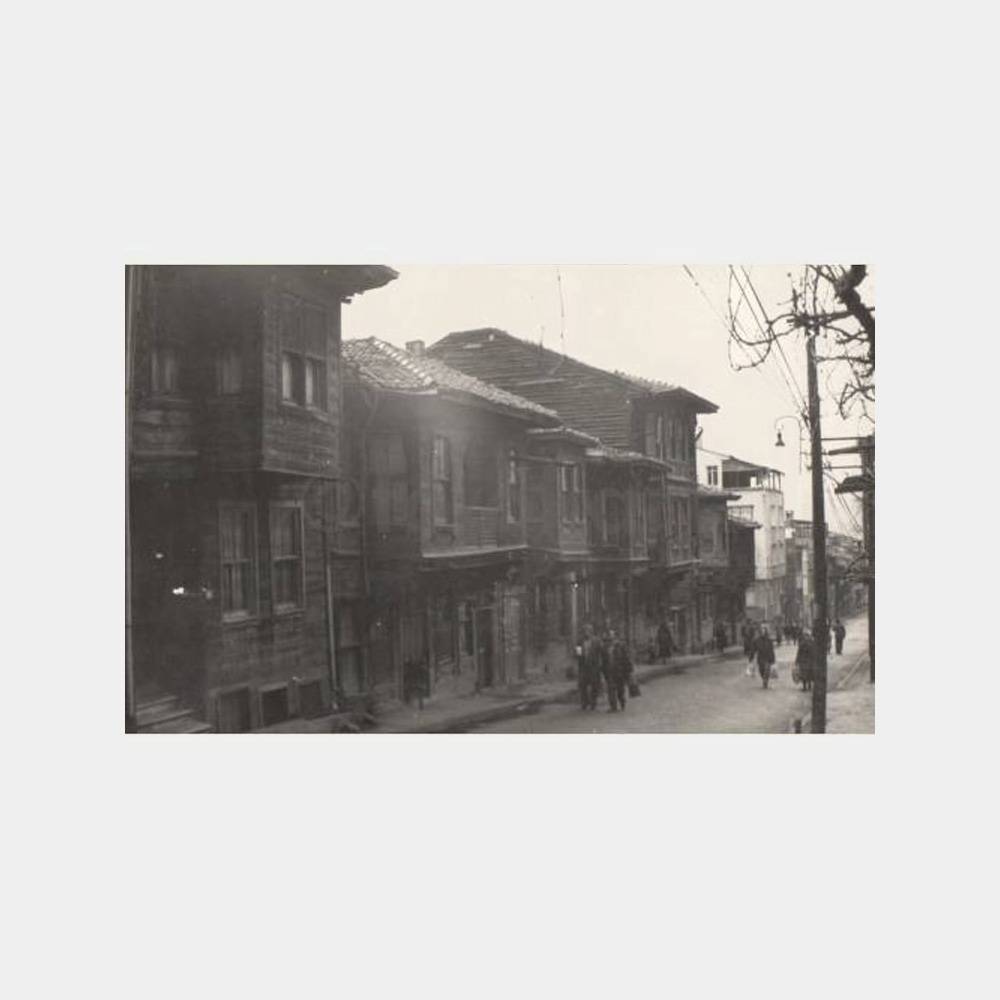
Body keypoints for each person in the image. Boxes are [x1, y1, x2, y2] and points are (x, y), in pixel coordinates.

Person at [577, 625, 605, 711]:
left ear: (592, 632)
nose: (586, 633)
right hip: (583, 666)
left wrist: (600, 663)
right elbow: (578, 654)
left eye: (588, 631)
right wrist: (579, 659)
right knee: (582, 685)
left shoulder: (597, 641)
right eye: (585, 631)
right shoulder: (580, 641)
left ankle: (593, 702)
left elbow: (602, 652)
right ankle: (584, 702)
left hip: (594, 667)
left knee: (594, 685)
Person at [604, 629, 632, 712]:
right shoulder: (606, 647)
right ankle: (613, 707)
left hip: (619, 671)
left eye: (612, 636)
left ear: (615, 637)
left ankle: (622, 701)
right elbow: (604, 659)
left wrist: (629, 670)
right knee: (611, 689)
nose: (610, 639)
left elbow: (626, 658)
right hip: (609, 671)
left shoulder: (621, 646)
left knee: (620, 689)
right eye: (609, 637)